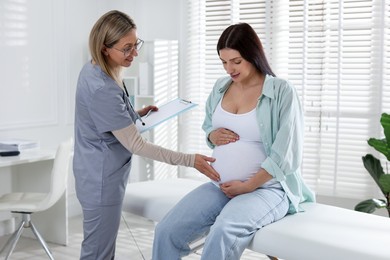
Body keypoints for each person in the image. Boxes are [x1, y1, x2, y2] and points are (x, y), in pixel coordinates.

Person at [152, 22, 315, 260]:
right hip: (220, 186)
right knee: (166, 231)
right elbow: (209, 124)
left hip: (266, 189)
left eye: (236, 61)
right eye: (224, 62)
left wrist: (248, 185)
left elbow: (286, 151)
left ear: (253, 55)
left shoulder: (281, 91)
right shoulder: (221, 87)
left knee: (222, 232)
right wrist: (211, 135)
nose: (229, 69)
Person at [73, 10, 220, 260]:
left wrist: (133, 113)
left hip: (94, 173)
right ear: (105, 48)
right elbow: (136, 144)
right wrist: (189, 160)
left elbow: (104, 119)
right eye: (127, 48)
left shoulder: (97, 69)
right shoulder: (102, 88)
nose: (135, 53)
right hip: (100, 181)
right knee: (98, 252)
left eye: (135, 44)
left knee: (99, 247)